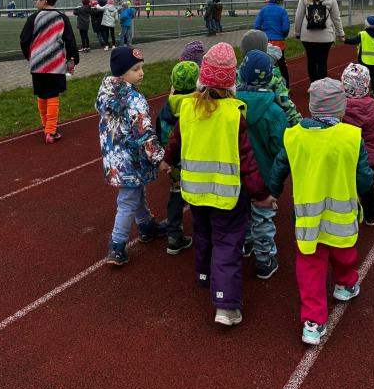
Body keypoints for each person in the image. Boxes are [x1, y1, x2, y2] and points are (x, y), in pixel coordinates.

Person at [163, 43, 275, 326]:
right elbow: (247, 160)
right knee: (227, 243)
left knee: (203, 233)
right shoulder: (233, 114)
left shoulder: (187, 107)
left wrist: (167, 160)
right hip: (226, 193)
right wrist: (261, 194)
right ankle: (226, 304)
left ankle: (204, 275)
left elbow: (176, 141)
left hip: (194, 189)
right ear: (231, 80)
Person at [267, 78, 374, 345]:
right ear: (341, 108)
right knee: (345, 252)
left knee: (310, 268)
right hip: (341, 215)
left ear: (312, 106)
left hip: (307, 217)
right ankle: (345, 284)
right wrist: (365, 184)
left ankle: (313, 322)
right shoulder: (351, 137)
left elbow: (280, 167)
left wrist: (272, 192)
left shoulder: (294, 136)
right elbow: (364, 180)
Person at [96, 46, 168, 266]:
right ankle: (116, 245)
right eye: (135, 69)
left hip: (115, 159)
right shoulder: (133, 100)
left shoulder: (107, 94)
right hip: (131, 159)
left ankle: (146, 225)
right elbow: (144, 133)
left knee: (135, 192)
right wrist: (159, 158)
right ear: (122, 72)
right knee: (127, 200)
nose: (141, 73)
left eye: (141, 68)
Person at [236, 50, 288, 279]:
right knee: (263, 218)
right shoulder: (275, 112)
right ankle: (264, 260)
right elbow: (281, 149)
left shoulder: (232, 105)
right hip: (265, 177)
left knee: (243, 212)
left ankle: (246, 243)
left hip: (238, 174)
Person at [20, 0, 79, 143]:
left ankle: (46, 125)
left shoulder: (33, 18)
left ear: (44, 1)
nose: (35, 2)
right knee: (53, 95)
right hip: (55, 64)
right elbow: (70, 41)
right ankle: (51, 131)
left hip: (37, 64)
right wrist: (72, 59)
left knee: (41, 94)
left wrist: (30, 56)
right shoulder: (62, 17)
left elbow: (24, 40)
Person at [341, 63, 374, 226]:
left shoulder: (338, 107)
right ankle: (370, 215)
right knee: (367, 186)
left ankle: (346, 214)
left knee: (343, 184)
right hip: (368, 158)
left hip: (344, 155)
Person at [156, 61, 200, 255]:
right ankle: (204, 232)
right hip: (194, 160)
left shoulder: (166, 108)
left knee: (176, 194)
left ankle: (174, 235)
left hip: (173, 161)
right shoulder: (199, 105)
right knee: (198, 196)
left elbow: (159, 133)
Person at [239, 29, 302, 126]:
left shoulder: (239, 74)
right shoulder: (273, 78)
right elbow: (286, 105)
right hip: (271, 122)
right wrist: (298, 124)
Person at [294, 0, 345, 83]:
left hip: (307, 36)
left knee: (311, 61)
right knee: (322, 62)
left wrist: (297, 33)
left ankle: (313, 85)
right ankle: (322, 87)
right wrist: (340, 33)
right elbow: (336, 18)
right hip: (325, 37)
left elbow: (298, 16)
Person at [344, 15, 374, 96]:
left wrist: (345, 40)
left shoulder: (363, 34)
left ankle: (363, 89)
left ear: (367, 24)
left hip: (364, 58)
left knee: (363, 74)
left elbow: (354, 41)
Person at [253, 0, 291, 87]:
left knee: (266, 65)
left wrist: (264, 33)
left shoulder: (263, 10)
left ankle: (266, 86)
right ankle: (286, 87)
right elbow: (286, 28)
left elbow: (256, 26)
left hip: (265, 43)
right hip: (279, 43)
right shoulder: (282, 11)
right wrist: (283, 35)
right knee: (282, 65)